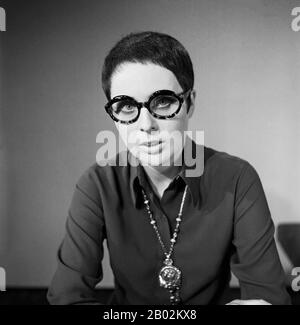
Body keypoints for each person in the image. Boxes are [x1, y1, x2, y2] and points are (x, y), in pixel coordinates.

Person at [47, 31, 291, 305]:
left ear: (190, 103)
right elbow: (66, 297)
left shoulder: (236, 178)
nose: (146, 124)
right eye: (126, 106)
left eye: (162, 102)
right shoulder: (97, 183)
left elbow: (269, 297)